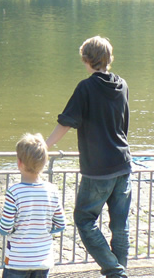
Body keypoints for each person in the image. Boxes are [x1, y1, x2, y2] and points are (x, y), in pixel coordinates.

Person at [46, 35, 132, 278]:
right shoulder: (122, 84)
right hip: (123, 163)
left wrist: (45, 145)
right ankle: (119, 271)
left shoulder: (86, 87)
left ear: (86, 58)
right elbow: (123, 124)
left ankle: (115, 271)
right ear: (108, 58)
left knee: (84, 220)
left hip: (98, 168)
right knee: (120, 226)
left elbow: (67, 121)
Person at [0, 133, 66, 278]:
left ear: (19, 163)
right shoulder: (52, 190)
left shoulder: (14, 192)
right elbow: (61, 225)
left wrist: (13, 230)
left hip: (17, 260)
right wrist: (44, 230)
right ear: (44, 162)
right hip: (43, 259)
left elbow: (5, 228)